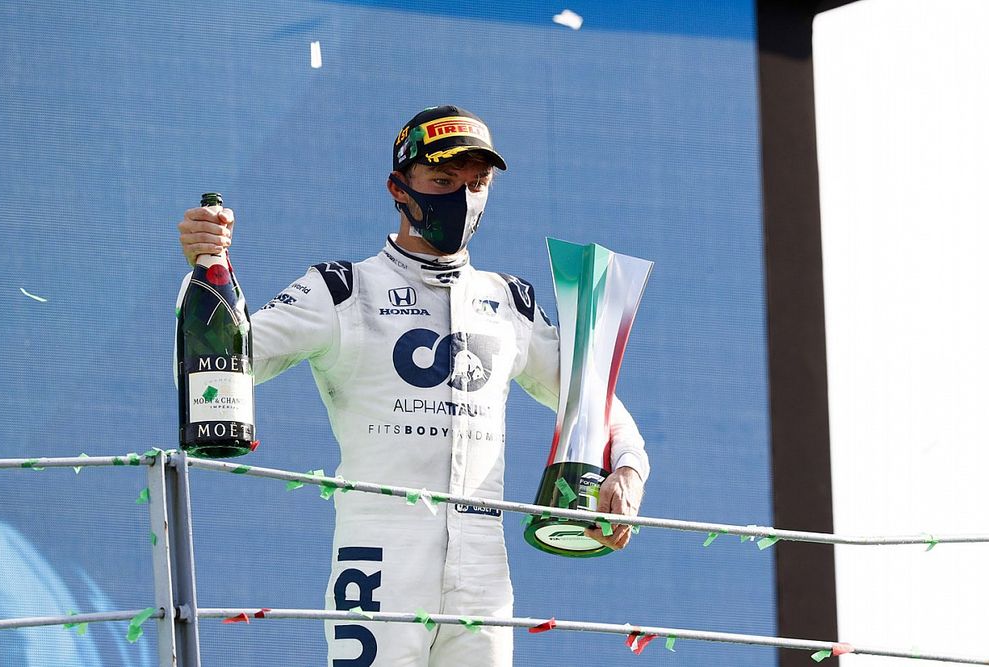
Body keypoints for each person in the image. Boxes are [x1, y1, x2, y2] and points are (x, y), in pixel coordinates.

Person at [177, 105, 649, 667]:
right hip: (378, 553)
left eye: (478, 183)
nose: (464, 198)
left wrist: (627, 469)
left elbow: (594, 401)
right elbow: (220, 361)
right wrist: (203, 267)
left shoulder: (510, 302)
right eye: (444, 181)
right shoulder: (342, 289)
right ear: (398, 188)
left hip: (483, 564)